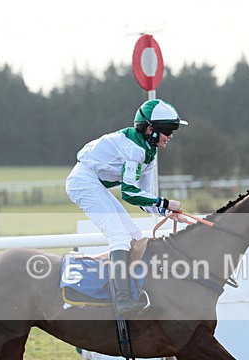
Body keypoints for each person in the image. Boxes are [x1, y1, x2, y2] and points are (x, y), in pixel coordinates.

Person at [66, 99, 188, 317]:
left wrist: (167, 212)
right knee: (119, 237)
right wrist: (166, 203)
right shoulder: (134, 148)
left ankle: (132, 291)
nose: (171, 136)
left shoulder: (150, 151)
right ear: (150, 129)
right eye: (168, 130)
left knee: (135, 236)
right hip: (83, 181)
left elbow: (145, 198)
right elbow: (129, 193)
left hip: (94, 182)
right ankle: (122, 301)